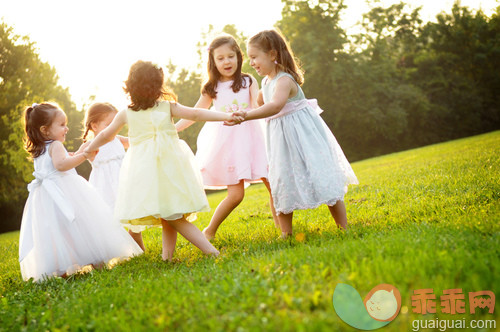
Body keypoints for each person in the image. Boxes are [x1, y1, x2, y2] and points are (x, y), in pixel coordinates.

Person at [84, 60, 242, 260]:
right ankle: (167, 258)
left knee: (171, 214)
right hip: (168, 167)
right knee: (169, 212)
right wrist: (224, 116)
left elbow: (106, 135)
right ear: (158, 86)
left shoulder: (128, 113)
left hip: (149, 171)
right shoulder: (165, 107)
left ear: (131, 87)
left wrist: (89, 147)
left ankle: (211, 251)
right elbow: (195, 113)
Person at [232, 29, 358, 237]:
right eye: (250, 58)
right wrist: (247, 109)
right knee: (281, 179)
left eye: (254, 57)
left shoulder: (284, 80)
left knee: (320, 174)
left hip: (304, 137)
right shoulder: (266, 82)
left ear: (272, 55)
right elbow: (263, 102)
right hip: (281, 141)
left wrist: (247, 116)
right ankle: (286, 233)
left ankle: (342, 227)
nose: (251, 63)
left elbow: (274, 107)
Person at [18, 102, 143, 282]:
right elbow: (61, 165)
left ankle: (62, 267)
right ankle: (95, 261)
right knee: (84, 224)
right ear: (45, 130)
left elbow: (61, 160)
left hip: (47, 198)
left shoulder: (40, 149)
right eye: (61, 125)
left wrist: (75, 154)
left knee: (57, 231)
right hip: (64, 192)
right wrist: (84, 156)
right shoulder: (54, 145)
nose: (66, 128)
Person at [176, 34, 278, 241]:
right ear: (213, 62)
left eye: (230, 56)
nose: (226, 62)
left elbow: (258, 107)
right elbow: (195, 113)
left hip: (254, 138)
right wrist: (173, 129)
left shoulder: (248, 80)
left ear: (239, 57)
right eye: (220, 58)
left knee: (274, 185)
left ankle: (284, 230)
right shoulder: (211, 88)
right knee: (236, 195)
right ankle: (210, 231)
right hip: (228, 145)